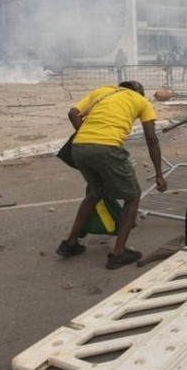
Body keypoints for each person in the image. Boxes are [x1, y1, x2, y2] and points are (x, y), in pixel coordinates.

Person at [55, 81, 167, 269]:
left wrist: (87, 135)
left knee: (95, 193)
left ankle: (70, 243)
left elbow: (73, 113)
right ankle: (118, 253)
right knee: (133, 196)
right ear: (139, 92)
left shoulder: (103, 91)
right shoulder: (141, 101)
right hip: (107, 148)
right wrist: (159, 174)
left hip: (80, 146)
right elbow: (151, 139)